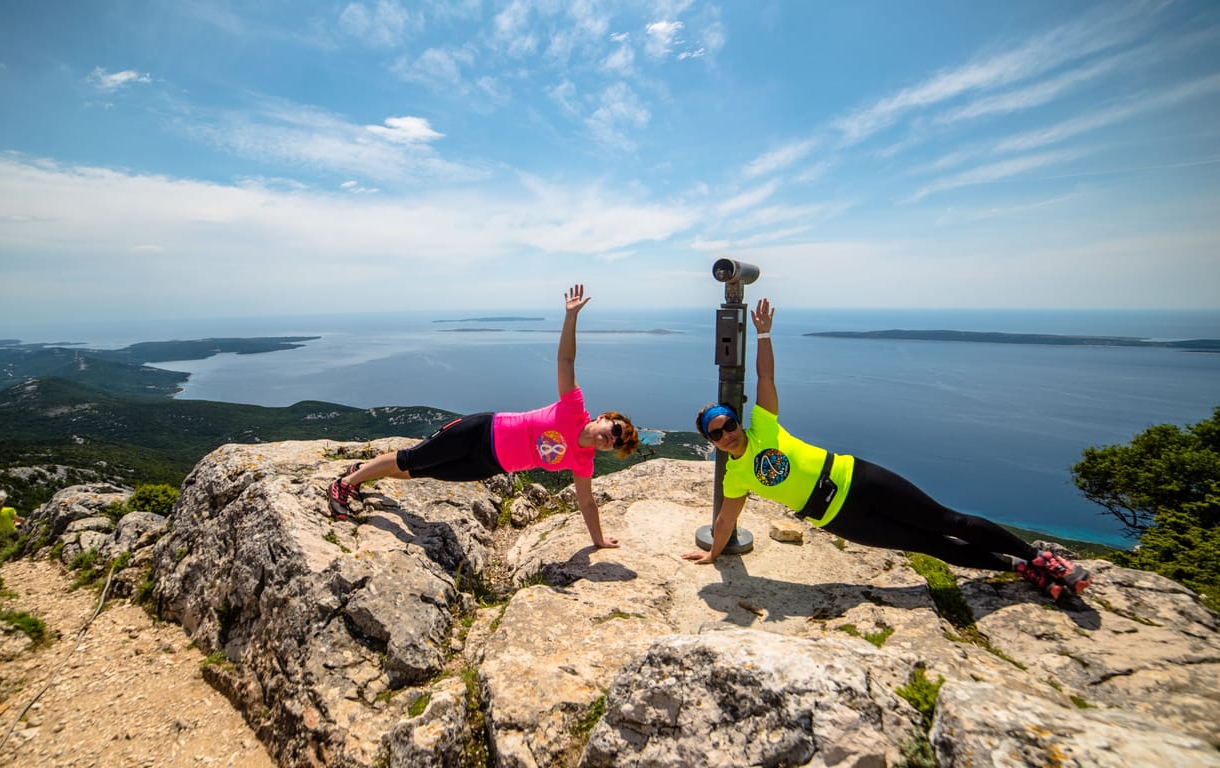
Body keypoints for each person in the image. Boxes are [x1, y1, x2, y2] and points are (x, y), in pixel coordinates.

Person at [682, 297, 1092, 601]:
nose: (728, 435)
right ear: (711, 442)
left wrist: (764, 333)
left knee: (948, 521)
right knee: (931, 545)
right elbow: (725, 518)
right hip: (837, 517)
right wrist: (713, 556)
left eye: (729, 424)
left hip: (857, 479)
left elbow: (765, 376)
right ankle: (1019, 569)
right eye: (717, 434)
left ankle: (1038, 558)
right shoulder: (735, 476)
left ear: (737, 420)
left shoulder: (764, 427)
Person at [327, 284, 640, 549]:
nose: (611, 438)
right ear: (602, 418)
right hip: (482, 431)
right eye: (615, 428)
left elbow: (586, 503)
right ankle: (346, 482)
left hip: (489, 465)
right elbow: (566, 358)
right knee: (412, 458)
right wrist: (570, 317)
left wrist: (598, 541)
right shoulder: (574, 407)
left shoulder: (583, 461)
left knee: (423, 470)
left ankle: (365, 472)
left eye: (616, 442)